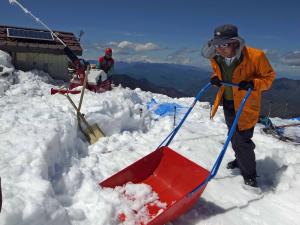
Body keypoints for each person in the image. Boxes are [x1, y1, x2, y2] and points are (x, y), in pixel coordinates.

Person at [201, 24, 276, 187]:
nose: (218, 48)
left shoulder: (256, 56)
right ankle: (241, 159)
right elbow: (221, 73)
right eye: (216, 44)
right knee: (233, 135)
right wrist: (215, 78)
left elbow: (269, 78)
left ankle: (249, 175)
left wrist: (253, 83)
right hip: (228, 102)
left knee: (242, 140)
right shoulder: (216, 57)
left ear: (235, 42)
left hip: (246, 105)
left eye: (223, 44)